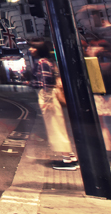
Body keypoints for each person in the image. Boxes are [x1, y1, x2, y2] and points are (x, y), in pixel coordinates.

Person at [29, 39, 77, 170]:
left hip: (47, 95)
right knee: (59, 126)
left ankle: (67, 161)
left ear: (39, 49)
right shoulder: (49, 62)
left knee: (55, 127)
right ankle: (70, 156)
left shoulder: (42, 62)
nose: (30, 50)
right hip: (51, 95)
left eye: (33, 47)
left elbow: (46, 82)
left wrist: (47, 100)